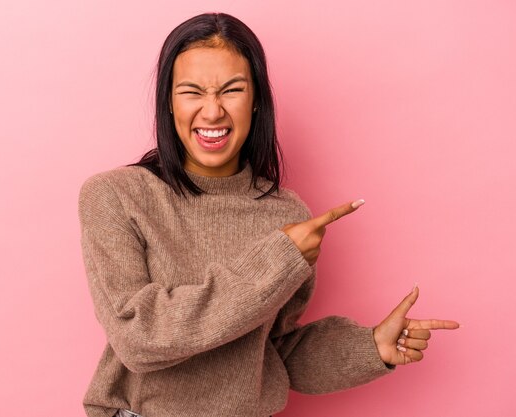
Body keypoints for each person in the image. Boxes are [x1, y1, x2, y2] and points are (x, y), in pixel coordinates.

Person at [77, 12, 460, 417]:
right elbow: (138, 338)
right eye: (192, 92)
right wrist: (276, 262)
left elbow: (272, 353)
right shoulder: (115, 197)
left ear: (257, 99)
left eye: (231, 90)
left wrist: (371, 347)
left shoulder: (287, 216)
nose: (211, 112)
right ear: (168, 103)